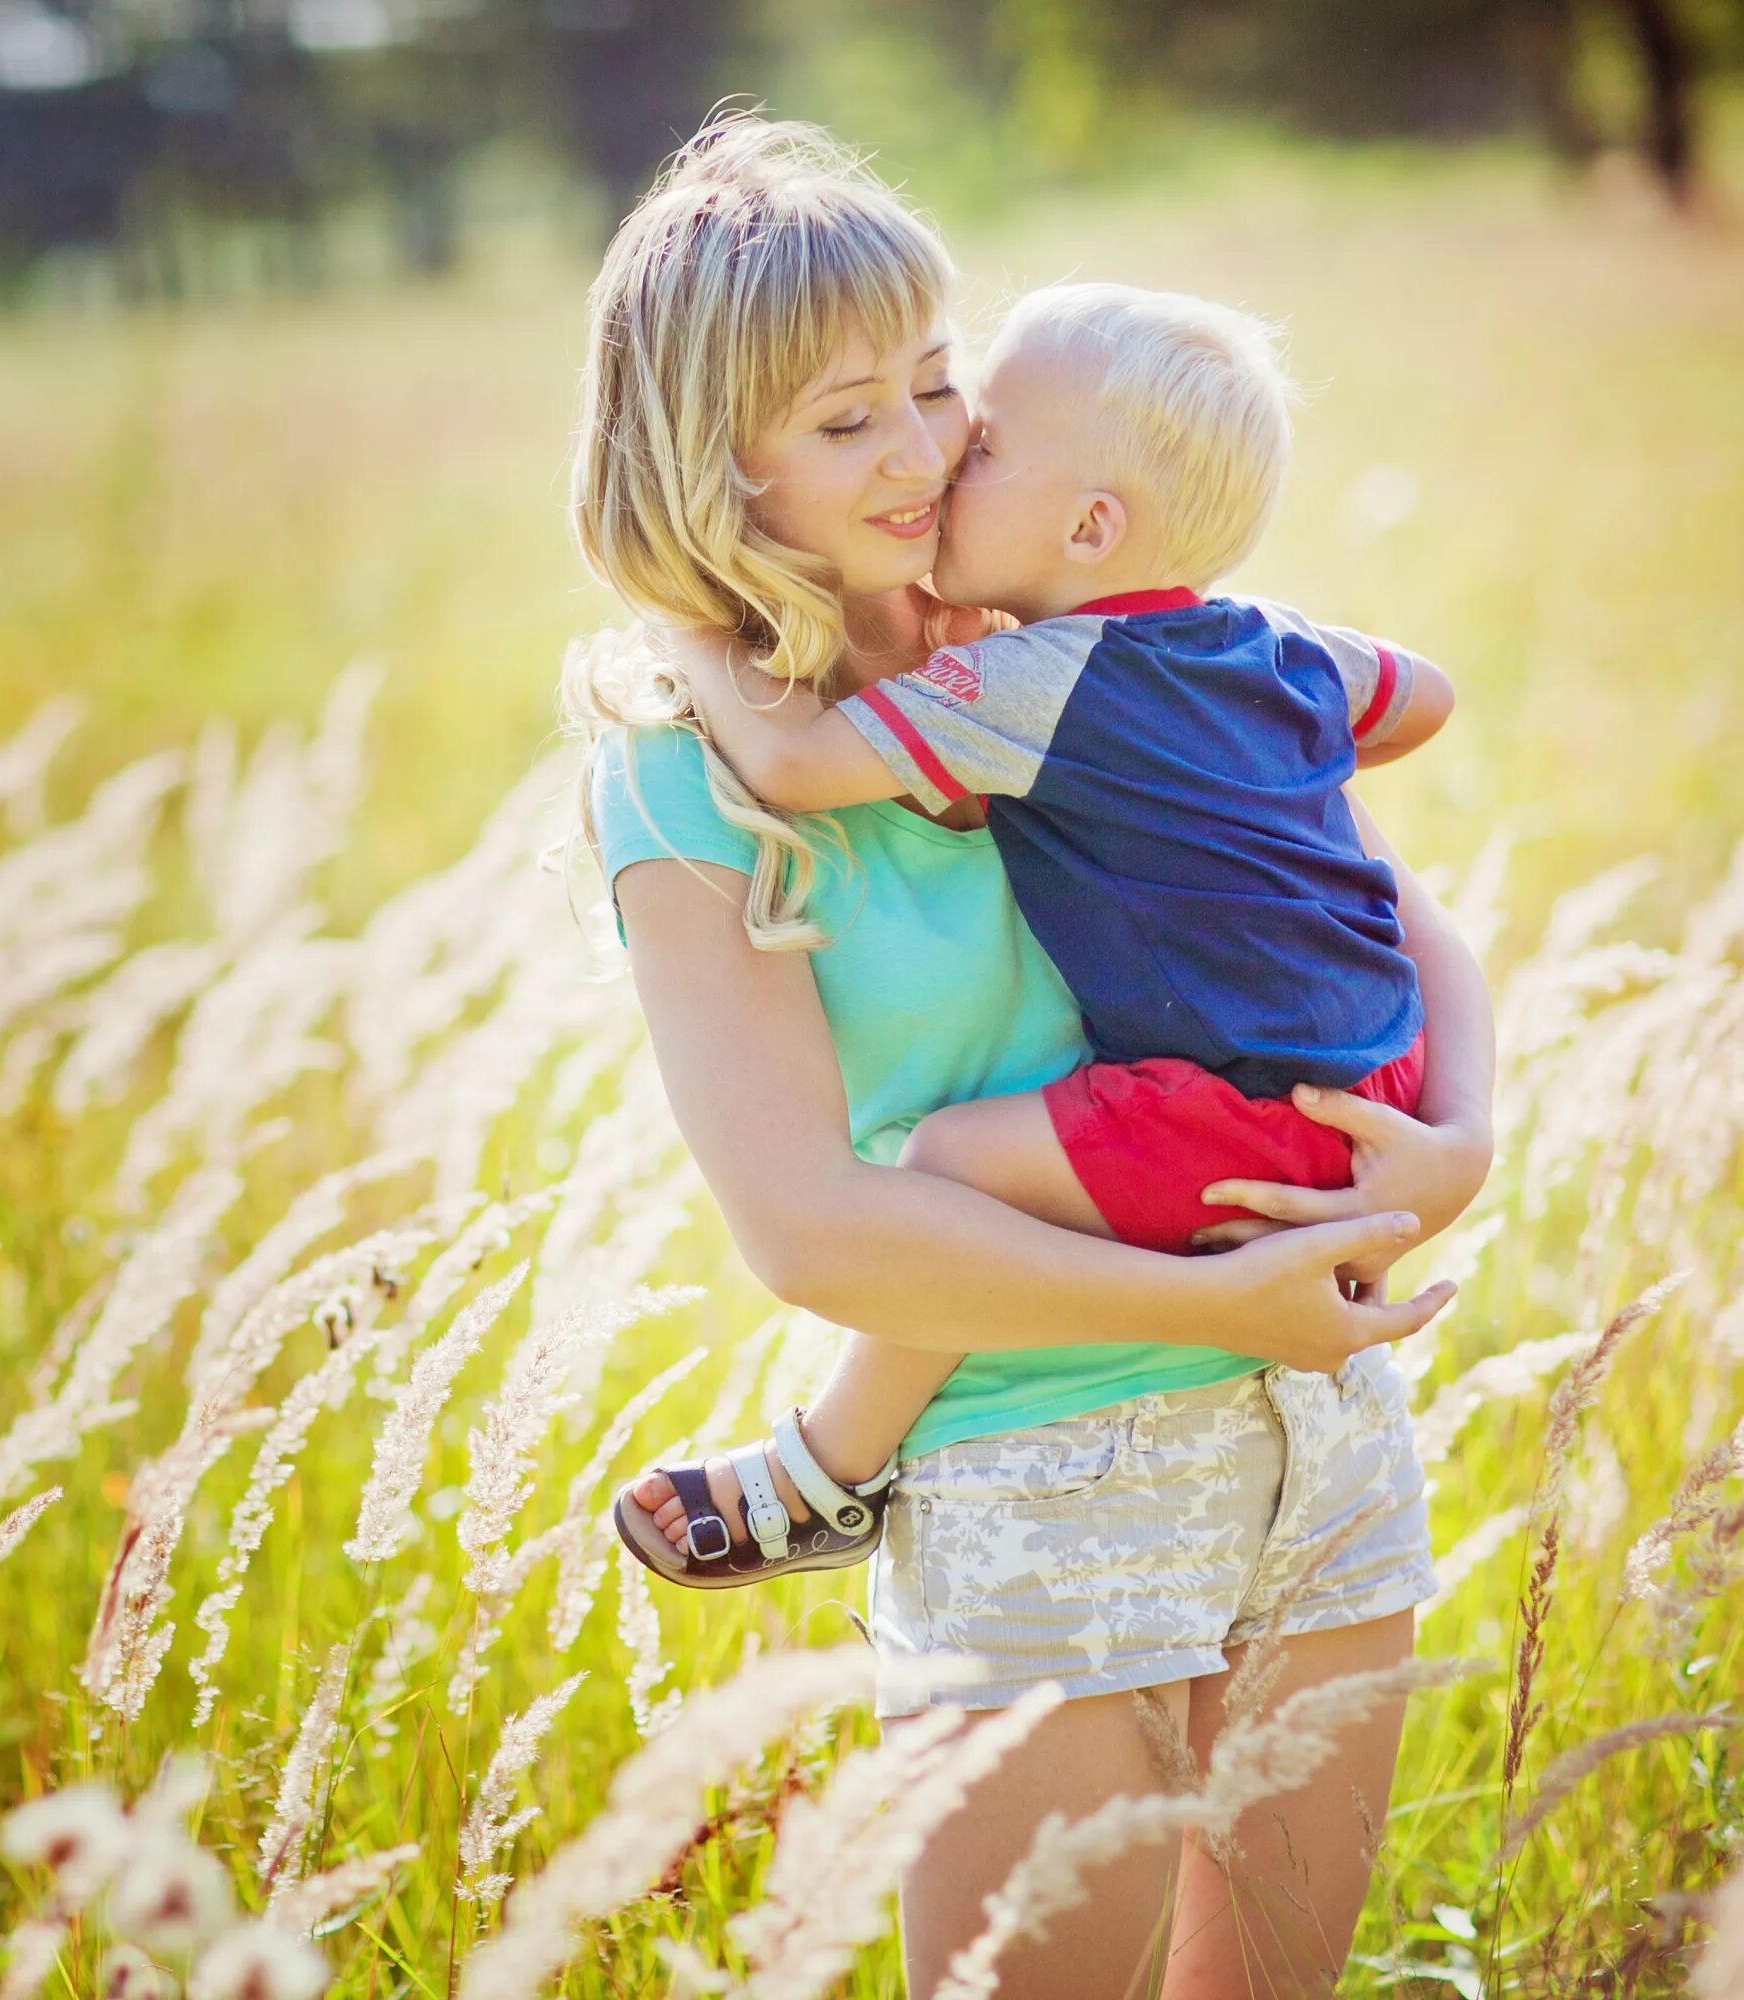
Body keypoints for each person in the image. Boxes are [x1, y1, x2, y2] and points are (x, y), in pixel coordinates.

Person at [563, 112, 1494, 1996]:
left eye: (934, 385)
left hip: (1326, 1429)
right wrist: (1241, 1311)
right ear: (704, 463)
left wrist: (1464, 1142)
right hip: (1038, 1465)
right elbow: (816, 1233)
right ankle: (826, 1474)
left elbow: (1395, 925)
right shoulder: (687, 772)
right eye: (844, 424)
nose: (918, 452)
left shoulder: (1094, 634)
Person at [623, 280, 1463, 1582]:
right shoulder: (1271, 651)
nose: (948, 453)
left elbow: (792, 767)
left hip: (1245, 1127)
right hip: (1370, 1092)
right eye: (857, 419)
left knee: (953, 1154)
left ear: (1087, 525)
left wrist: (686, 610)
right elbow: (1425, 696)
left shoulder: (1027, 679)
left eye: (978, 429)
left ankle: (826, 1468)